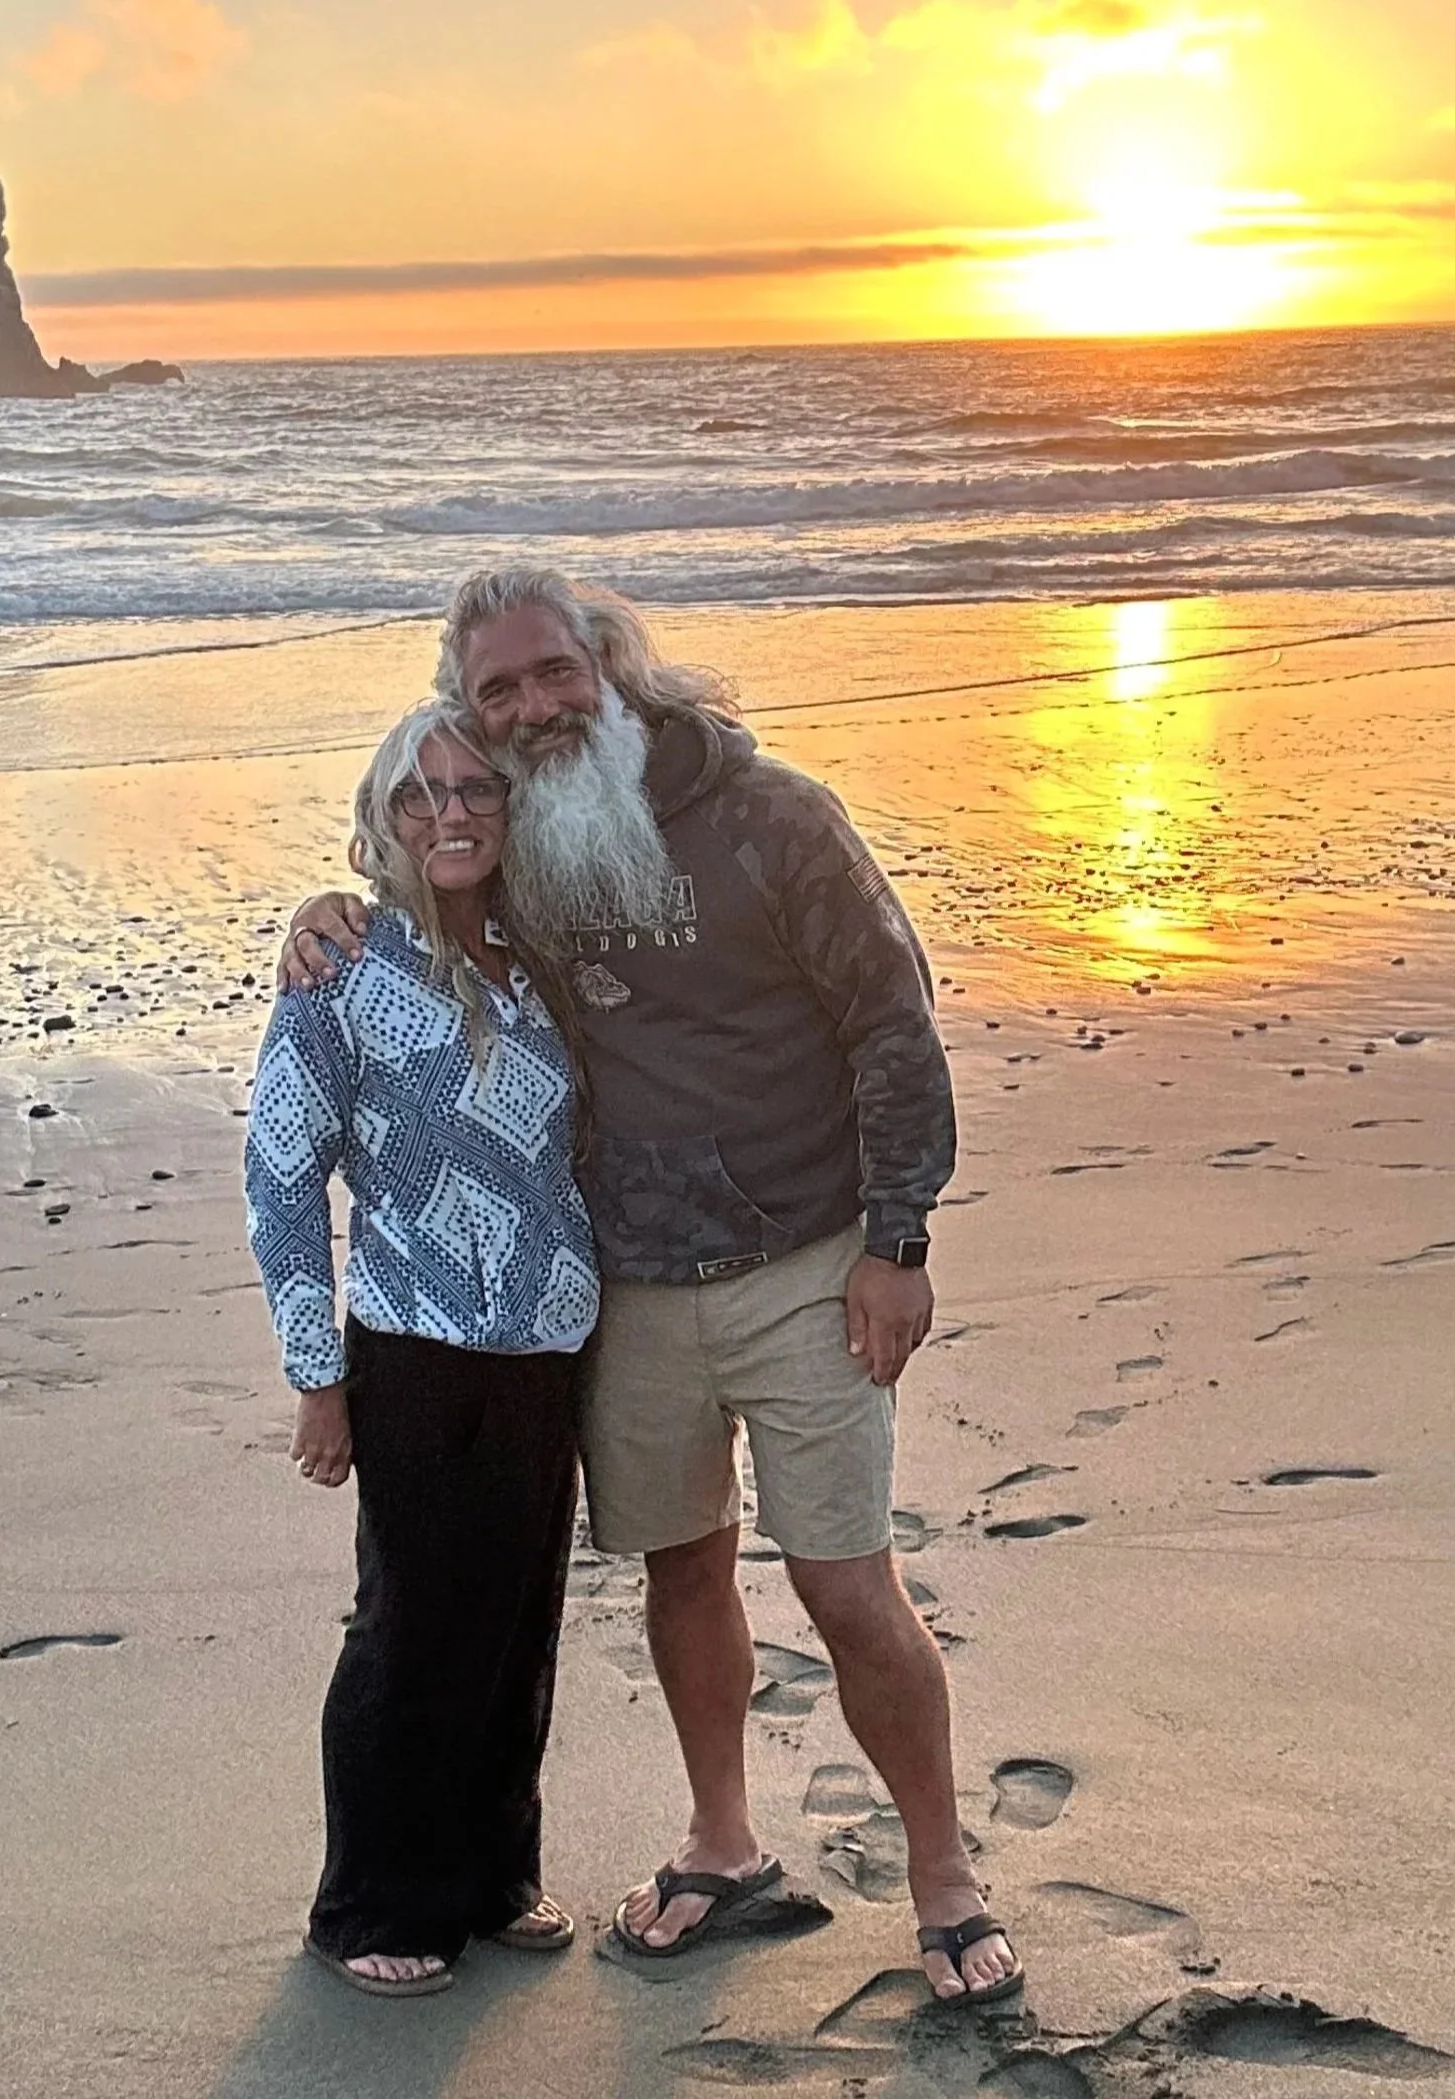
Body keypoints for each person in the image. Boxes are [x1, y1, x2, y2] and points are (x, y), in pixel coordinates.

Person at [280, 570, 1024, 2006]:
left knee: (846, 1585)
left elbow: (891, 1022)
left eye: (554, 672)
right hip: (618, 1290)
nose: (534, 707)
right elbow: (414, 882)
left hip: (808, 1266)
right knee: (682, 1564)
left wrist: (898, 1239)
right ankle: (721, 1842)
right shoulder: (522, 841)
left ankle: (942, 1877)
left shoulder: (774, 819)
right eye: (498, 691)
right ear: (472, 712)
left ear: (613, 664)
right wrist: (323, 909)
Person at [245, 697, 599, 1997]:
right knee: (411, 1626)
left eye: (474, 790)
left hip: (546, 1340)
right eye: (419, 793)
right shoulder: (343, 967)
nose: (448, 812)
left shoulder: (537, 952)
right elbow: (284, 1175)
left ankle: (493, 1873)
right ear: (382, 817)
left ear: (508, 813)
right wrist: (314, 1374)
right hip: (412, 1341)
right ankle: (372, 1904)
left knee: (517, 1623)